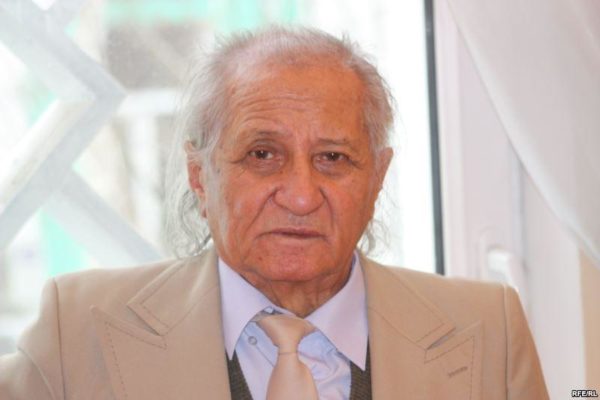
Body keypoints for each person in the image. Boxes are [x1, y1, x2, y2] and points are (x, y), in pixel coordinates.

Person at [0, 27, 548, 400]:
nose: (301, 196)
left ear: (377, 177)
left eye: (333, 158)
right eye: (262, 155)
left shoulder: (489, 331)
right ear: (200, 175)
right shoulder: (79, 330)